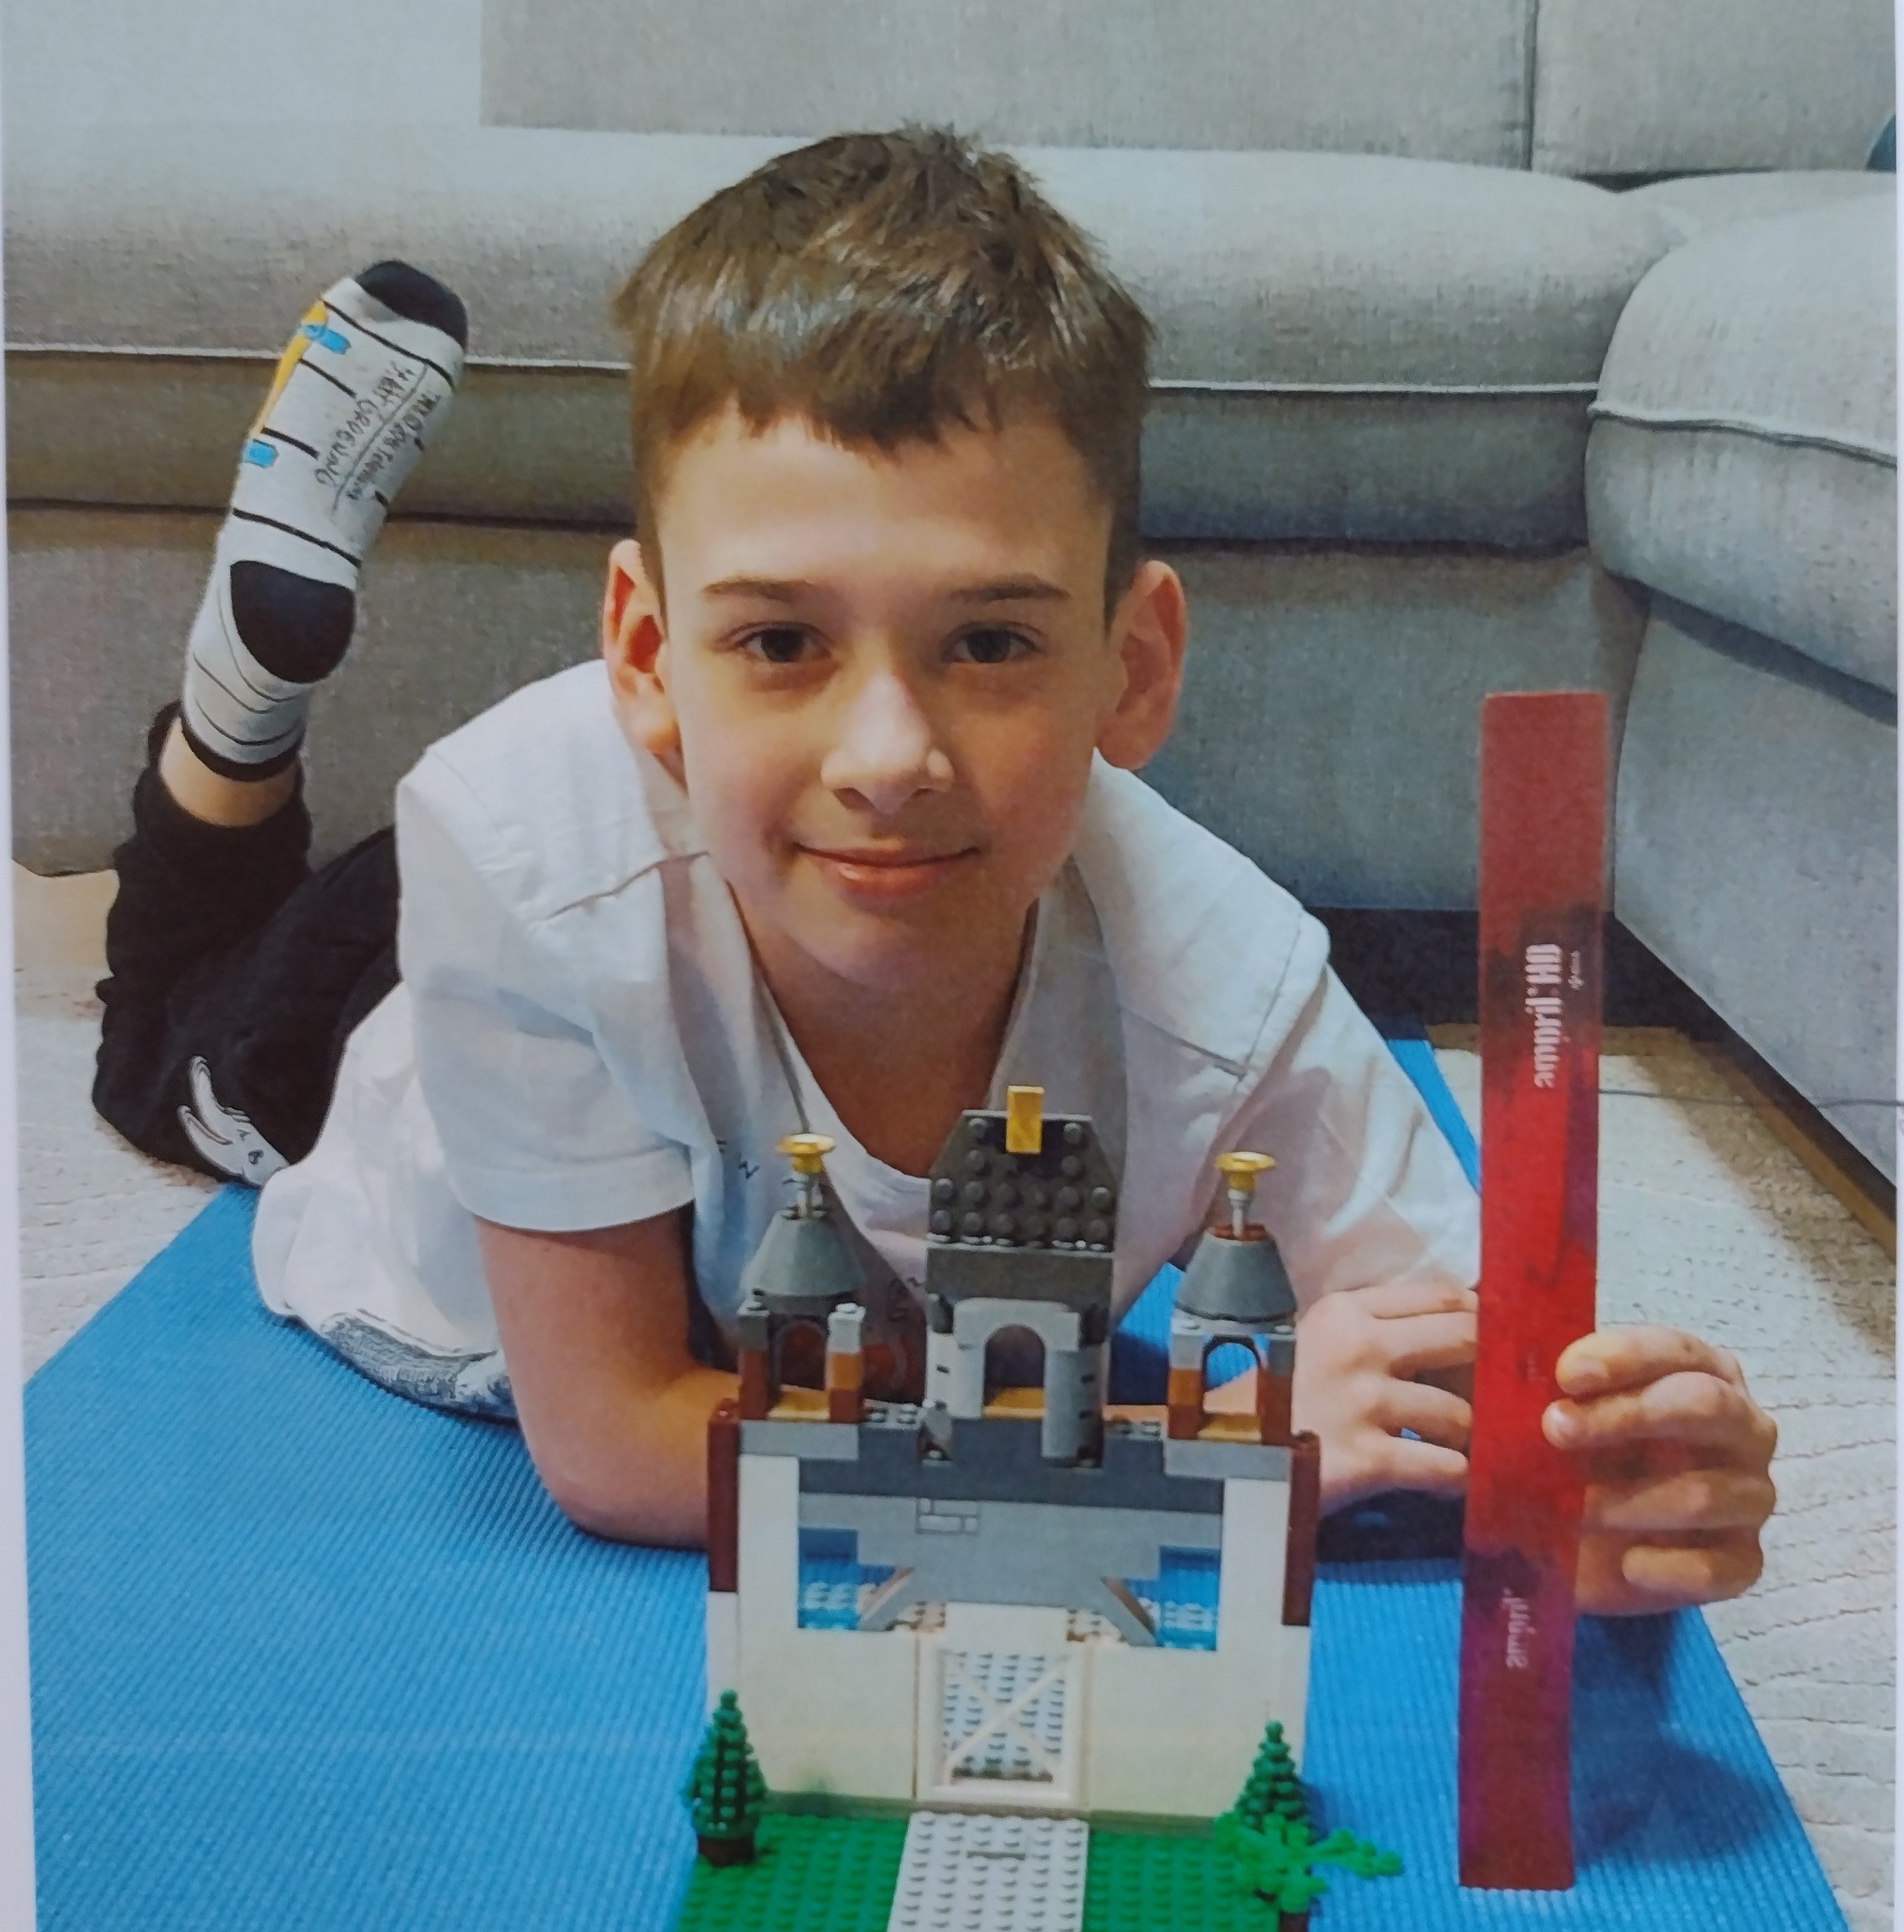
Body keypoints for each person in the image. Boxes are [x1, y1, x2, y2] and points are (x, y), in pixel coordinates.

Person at [93, 129, 1775, 1611]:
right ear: (647, 653)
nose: (888, 755)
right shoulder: (517, 860)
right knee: (173, 1049)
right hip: (418, 992)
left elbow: (1481, 1365)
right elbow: (615, 1442)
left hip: (707, 846)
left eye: (987, 641)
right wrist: (1201, 1462)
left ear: (1132, 667)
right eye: (780, 637)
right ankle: (236, 723)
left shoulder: (1222, 981)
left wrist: (1602, 1475)